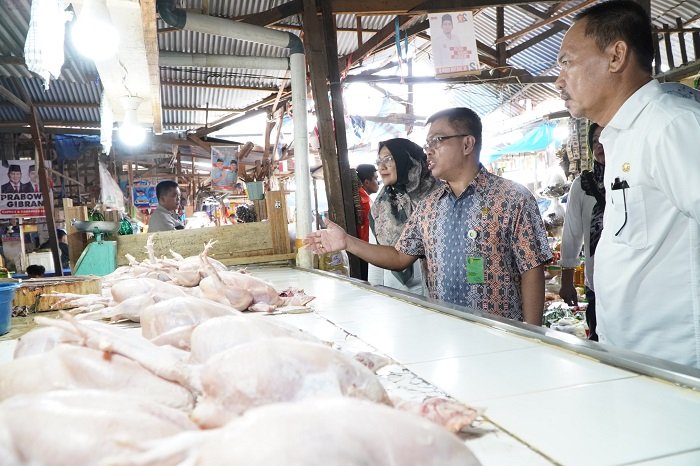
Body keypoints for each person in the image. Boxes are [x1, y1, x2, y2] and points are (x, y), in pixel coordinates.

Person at [304, 107, 552, 325]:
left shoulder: (512, 198)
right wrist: (347, 242)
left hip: (502, 336)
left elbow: (531, 269)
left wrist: (532, 335)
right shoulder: (429, 207)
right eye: (427, 144)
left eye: (437, 140)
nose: (428, 152)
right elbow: (399, 256)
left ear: (467, 144)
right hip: (445, 334)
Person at [555, 1, 700, 367]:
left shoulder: (671, 126)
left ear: (616, 56)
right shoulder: (621, 138)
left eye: (567, 61)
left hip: (677, 363)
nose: (559, 80)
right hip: (633, 356)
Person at [367, 138, 438, 294]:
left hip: (435, 294)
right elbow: (375, 259)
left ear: (407, 159)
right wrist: (375, 292)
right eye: (379, 161)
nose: (381, 167)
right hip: (393, 293)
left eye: (389, 159)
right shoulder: (381, 206)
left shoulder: (437, 196)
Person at [559, 123, 606, 340]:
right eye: (595, 140)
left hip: (634, 281)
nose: (600, 145)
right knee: (599, 339)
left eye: (605, 137)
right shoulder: (582, 184)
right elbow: (572, 233)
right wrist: (567, 282)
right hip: (597, 281)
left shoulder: (635, 178)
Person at [355, 164, 379, 281]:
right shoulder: (364, 201)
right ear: (367, 182)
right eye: (375, 178)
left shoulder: (364, 197)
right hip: (365, 249)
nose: (378, 182)